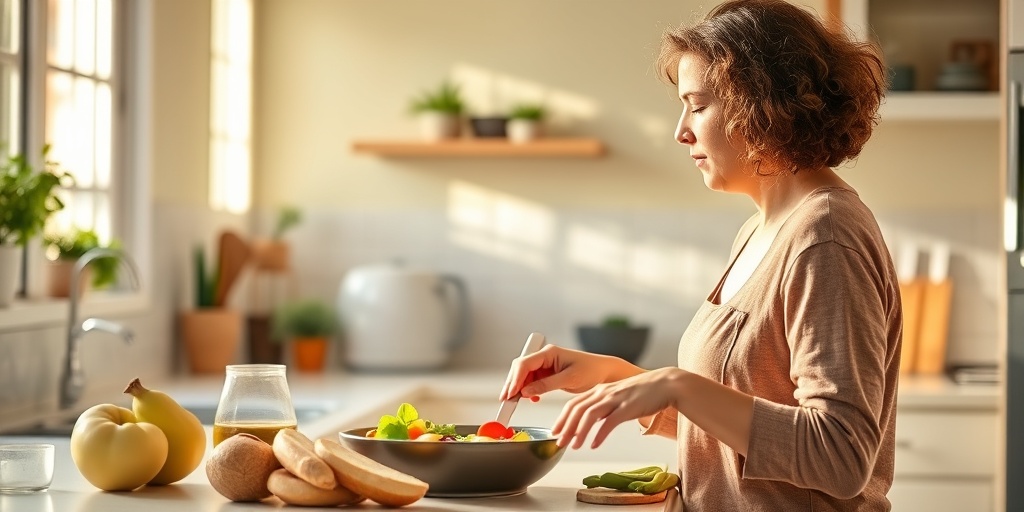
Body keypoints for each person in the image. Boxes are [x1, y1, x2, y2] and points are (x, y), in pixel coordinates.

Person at [500, 1, 898, 510]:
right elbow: (733, 434)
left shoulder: (825, 236)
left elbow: (839, 456)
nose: (681, 130)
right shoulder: (762, 229)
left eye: (699, 105)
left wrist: (677, 386)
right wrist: (615, 377)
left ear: (763, 105)